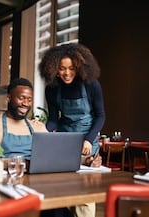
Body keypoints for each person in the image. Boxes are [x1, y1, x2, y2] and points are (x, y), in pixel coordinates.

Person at [0, 77, 101, 217]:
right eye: (21, 98)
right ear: (8, 97)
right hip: (8, 189)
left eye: (29, 99)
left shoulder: (37, 127)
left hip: (40, 188)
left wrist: (87, 160)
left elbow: (57, 158)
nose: (25, 103)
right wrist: (18, 163)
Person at [39, 43, 106, 217]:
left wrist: (88, 140)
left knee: (85, 195)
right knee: (64, 188)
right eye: (61, 69)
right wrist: (43, 133)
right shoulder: (52, 89)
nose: (66, 73)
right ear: (54, 68)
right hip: (65, 142)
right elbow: (54, 119)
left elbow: (100, 116)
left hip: (87, 141)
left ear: (79, 67)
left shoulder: (91, 85)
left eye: (71, 68)